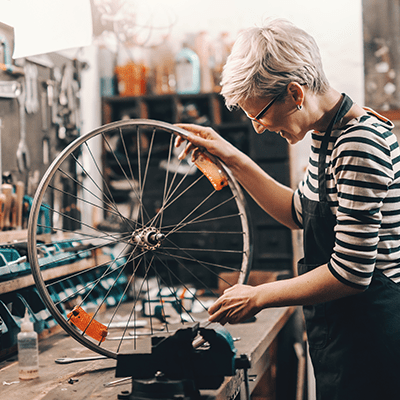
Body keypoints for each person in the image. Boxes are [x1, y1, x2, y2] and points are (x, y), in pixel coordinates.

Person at [175, 18, 400, 400]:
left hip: (373, 342)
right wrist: (233, 158)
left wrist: (260, 295)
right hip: (346, 335)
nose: (259, 128)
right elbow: (298, 212)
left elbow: (352, 273)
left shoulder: (357, 144)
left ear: (295, 93)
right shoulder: (326, 133)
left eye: (258, 114)